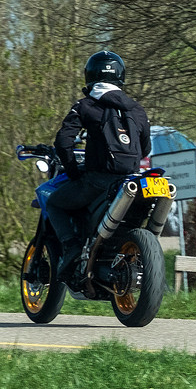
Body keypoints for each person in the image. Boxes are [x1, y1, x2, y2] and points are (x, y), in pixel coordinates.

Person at [48, 50, 152, 282]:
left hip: (98, 181)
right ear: (120, 76)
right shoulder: (136, 109)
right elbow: (145, 149)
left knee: (54, 202)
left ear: (90, 75)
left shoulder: (86, 105)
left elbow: (63, 142)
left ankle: (72, 246)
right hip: (131, 180)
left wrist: (74, 172)